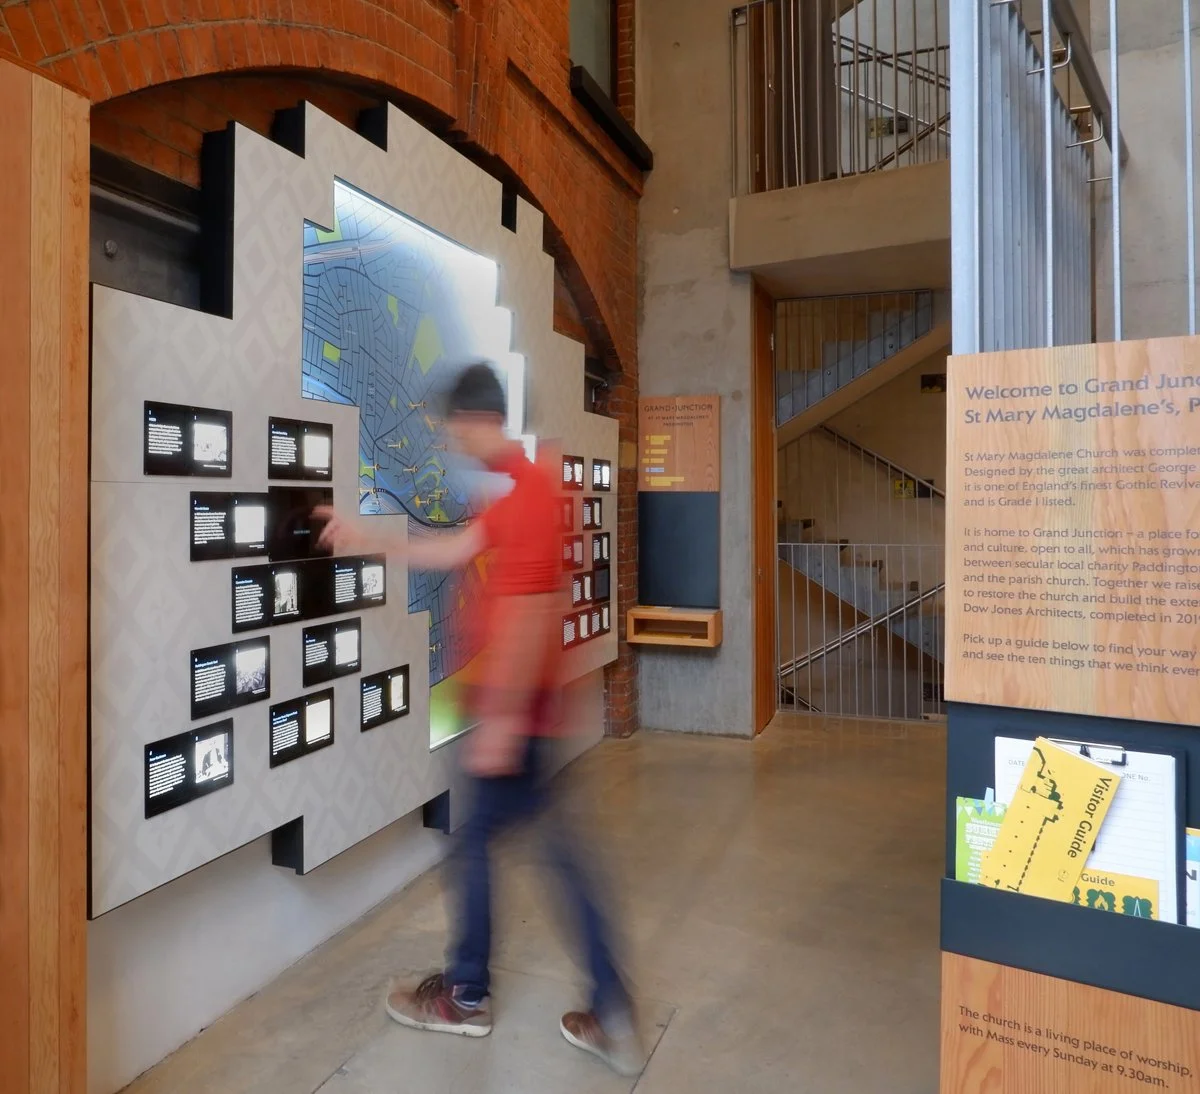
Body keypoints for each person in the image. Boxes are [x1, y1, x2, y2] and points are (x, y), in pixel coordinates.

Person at [315, 362, 640, 1076]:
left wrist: (499, 722)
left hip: (514, 721)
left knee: (474, 849)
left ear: (476, 420)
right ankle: (608, 1008)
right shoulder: (525, 491)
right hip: (530, 718)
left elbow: (528, 615)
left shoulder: (527, 498)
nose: (448, 438)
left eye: (451, 425)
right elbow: (455, 550)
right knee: (554, 858)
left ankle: (465, 996)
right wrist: (366, 537)